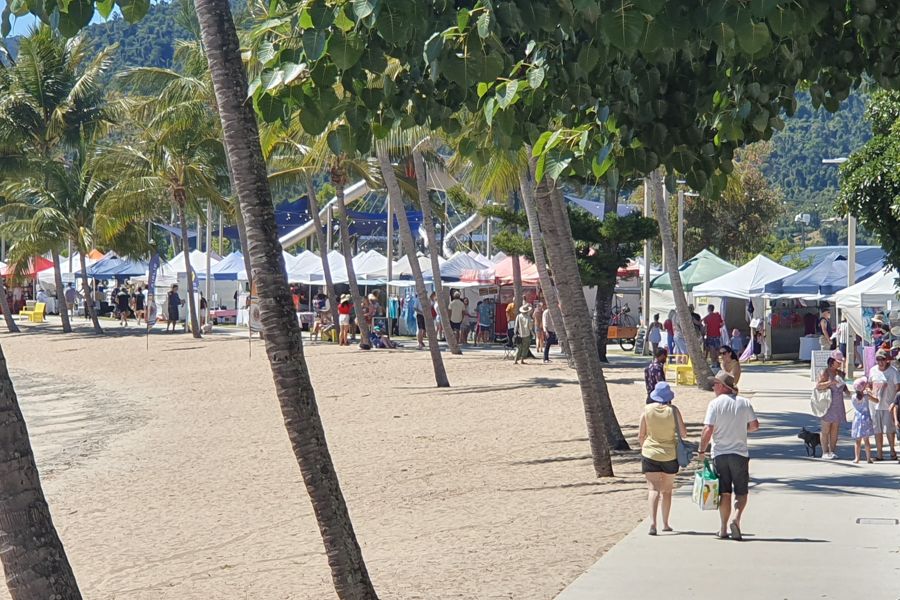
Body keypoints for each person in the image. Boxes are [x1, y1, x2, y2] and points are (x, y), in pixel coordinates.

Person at [698, 371, 760, 540]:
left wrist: (701, 451)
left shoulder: (714, 404)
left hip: (720, 454)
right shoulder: (744, 403)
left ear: (724, 387)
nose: (713, 387)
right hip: (739, 454)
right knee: (741, 492)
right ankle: (736, 519)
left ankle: (723, 528)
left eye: (716, 384)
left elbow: (708, 429)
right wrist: (740, 429)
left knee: (724, 492)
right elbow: (754, 426)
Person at [639, 381, 688, 535]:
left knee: (653, 490)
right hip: (669, 454)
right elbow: (684, 433)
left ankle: (653, 524)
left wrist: (645, 448)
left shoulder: (647, 410)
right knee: (667, 491)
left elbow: (641, 435)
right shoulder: (673, 410)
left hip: (650, 453)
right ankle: (665, 523)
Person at [866, 349, 899, 461]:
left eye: (883, 359)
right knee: (877, 430)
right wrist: (869, 391)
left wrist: (894, 403)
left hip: (888, 405)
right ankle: (879, 454)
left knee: (889, 430)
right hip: (875, 405)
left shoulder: (893, 371)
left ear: (887, 360)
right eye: (878, 359)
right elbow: (869, 384)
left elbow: (898, 389)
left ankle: (892, 451)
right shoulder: (873, 371)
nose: (881, 362)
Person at [815, 352, 848, 459]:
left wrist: (851, 393)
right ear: (832, 362)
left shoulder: (841, 374)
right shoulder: (825, 372)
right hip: (827, 402)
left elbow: (844, 387)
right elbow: (818, 386)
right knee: (825, 429)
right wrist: (830, 382)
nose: (839, 364)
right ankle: (825, 451)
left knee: (835, 428)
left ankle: (832, 450)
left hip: (838, 403)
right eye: (838, 362)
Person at [850, 377, 875, 464]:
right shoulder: (866, 396)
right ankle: (868, 458)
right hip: (866, 419)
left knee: (857, 441)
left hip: (857, 419)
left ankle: (857, 458)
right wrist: (870, 392)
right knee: (866, 440)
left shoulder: (853, 397)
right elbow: (876, 400)